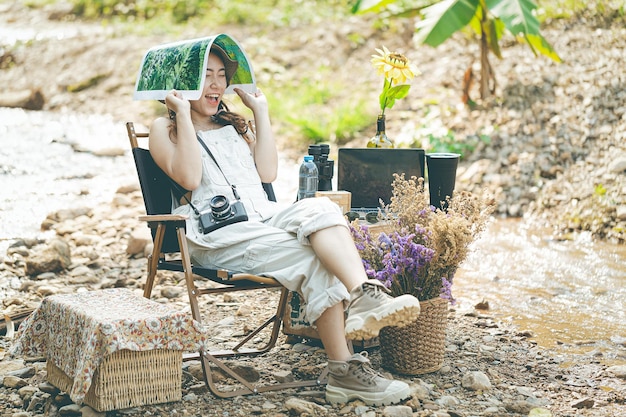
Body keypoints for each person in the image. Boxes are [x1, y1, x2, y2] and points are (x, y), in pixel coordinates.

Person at [149, 42, 421, 406]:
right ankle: (344, 371)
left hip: (264, 214)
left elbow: (268, 172)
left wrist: (260, 112)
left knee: (322, 210)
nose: (216, 86)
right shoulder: (162, 129)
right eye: (204, 77)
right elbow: (190, 178)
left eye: (220, 76)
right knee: (312, 258)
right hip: (217, 231)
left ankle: (364, 294)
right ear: (181, 85)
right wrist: (182, 115)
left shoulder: (231, 124)